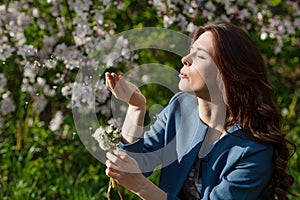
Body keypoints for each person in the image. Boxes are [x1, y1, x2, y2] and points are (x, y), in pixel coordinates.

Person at [104, 23, 296, 200]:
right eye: (191, 52)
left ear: (227, 73)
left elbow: (137, 178)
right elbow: (135, 165)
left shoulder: (253, 151)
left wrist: (142, 187)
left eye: (200, 56)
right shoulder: (180, 107)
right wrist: (136, 107)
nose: (185, 59)